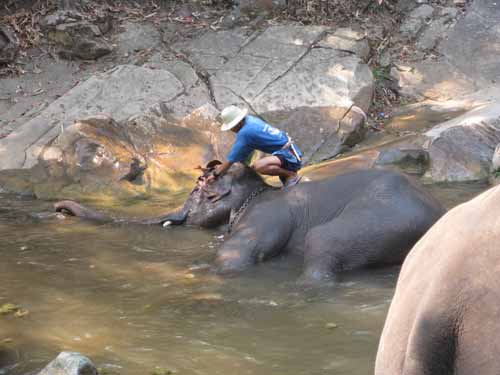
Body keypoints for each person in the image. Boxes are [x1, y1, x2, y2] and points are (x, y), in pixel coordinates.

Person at [207, 105, 303, 187]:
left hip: (290, 156)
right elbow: (247, 149)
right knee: (252, 167)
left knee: (258, 166)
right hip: (290, 150)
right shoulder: (250, 120)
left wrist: (215, 174)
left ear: (239, 122)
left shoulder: (245, 133)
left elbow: (230, 160)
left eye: (232, 127)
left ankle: (291, 175)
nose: (231, 130)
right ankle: (288, 175)